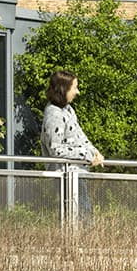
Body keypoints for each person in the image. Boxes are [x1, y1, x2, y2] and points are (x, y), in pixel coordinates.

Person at [39, 70, 103, 220]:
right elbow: (56, 149)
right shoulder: (54, 114)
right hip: (67, 175)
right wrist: (87, 156)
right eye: (74, 87)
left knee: (85, 216)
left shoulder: (67, 110)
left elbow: (79, 135)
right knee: (80, 219)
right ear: (63, 89)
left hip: (77, 174)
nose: (77, 92)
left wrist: (94, 151)